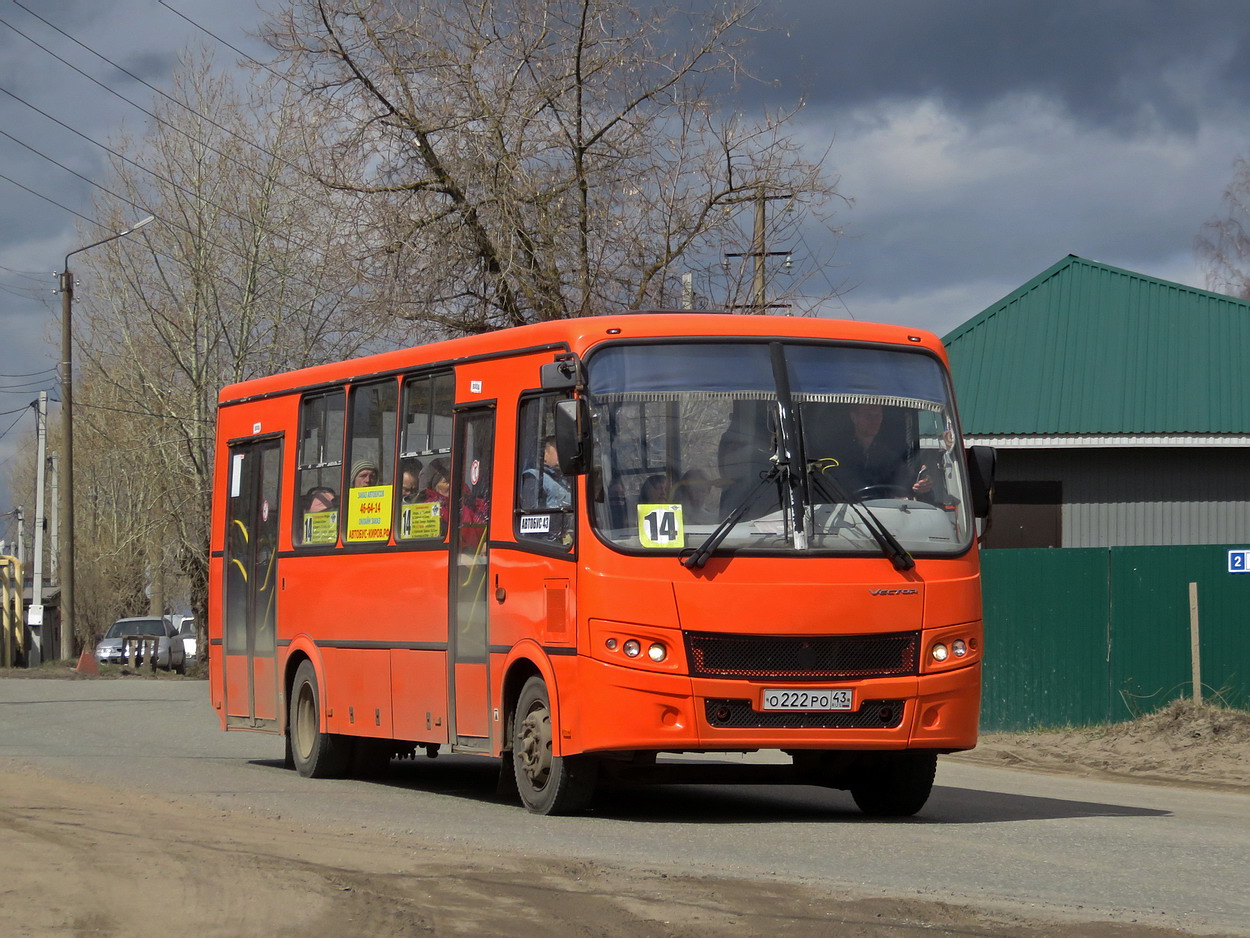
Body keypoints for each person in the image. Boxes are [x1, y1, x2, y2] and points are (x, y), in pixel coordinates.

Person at [834, 403, 931, 496]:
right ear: (854, 418)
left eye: (878, 415)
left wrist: (923, 484)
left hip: (884, 511)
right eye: (869, 415)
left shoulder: (890, 455)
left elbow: (908, 484)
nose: (874, 420)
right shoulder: (838, 453)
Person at [521, 437, 571, 509]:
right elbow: (530, 511)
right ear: (544, 455)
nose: (565, 454)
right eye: (559, 450)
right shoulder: (533, 476)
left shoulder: (566, 478)